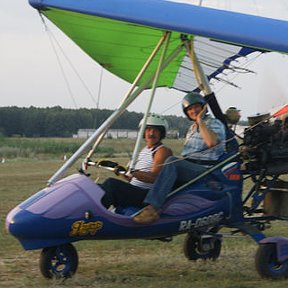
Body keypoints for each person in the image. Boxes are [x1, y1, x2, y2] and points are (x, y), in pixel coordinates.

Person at [133, 92, 226, 224]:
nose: (193, 111)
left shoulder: (213, 123)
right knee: (169, 164)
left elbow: (211, 142)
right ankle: (158, 211)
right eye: (189, 109)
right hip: (191, 167)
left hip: (205, 170)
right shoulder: (192, 128)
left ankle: (153, 208)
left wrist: (200, 121)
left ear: (204, 107)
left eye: (196, 107)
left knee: (171, 162)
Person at [101, 113, 172, 209]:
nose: (151, 133)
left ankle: (95, 217)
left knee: (111, 184)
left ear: (161, 133)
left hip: (146, 195)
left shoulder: (161, 151)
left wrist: (133, 172)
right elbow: (132, 178)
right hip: (135, 190)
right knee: (98, 188)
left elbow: (155, 178)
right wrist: (119, 171)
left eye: (155, 130)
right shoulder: (145, 150)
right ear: (143, 132)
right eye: (148, 129)